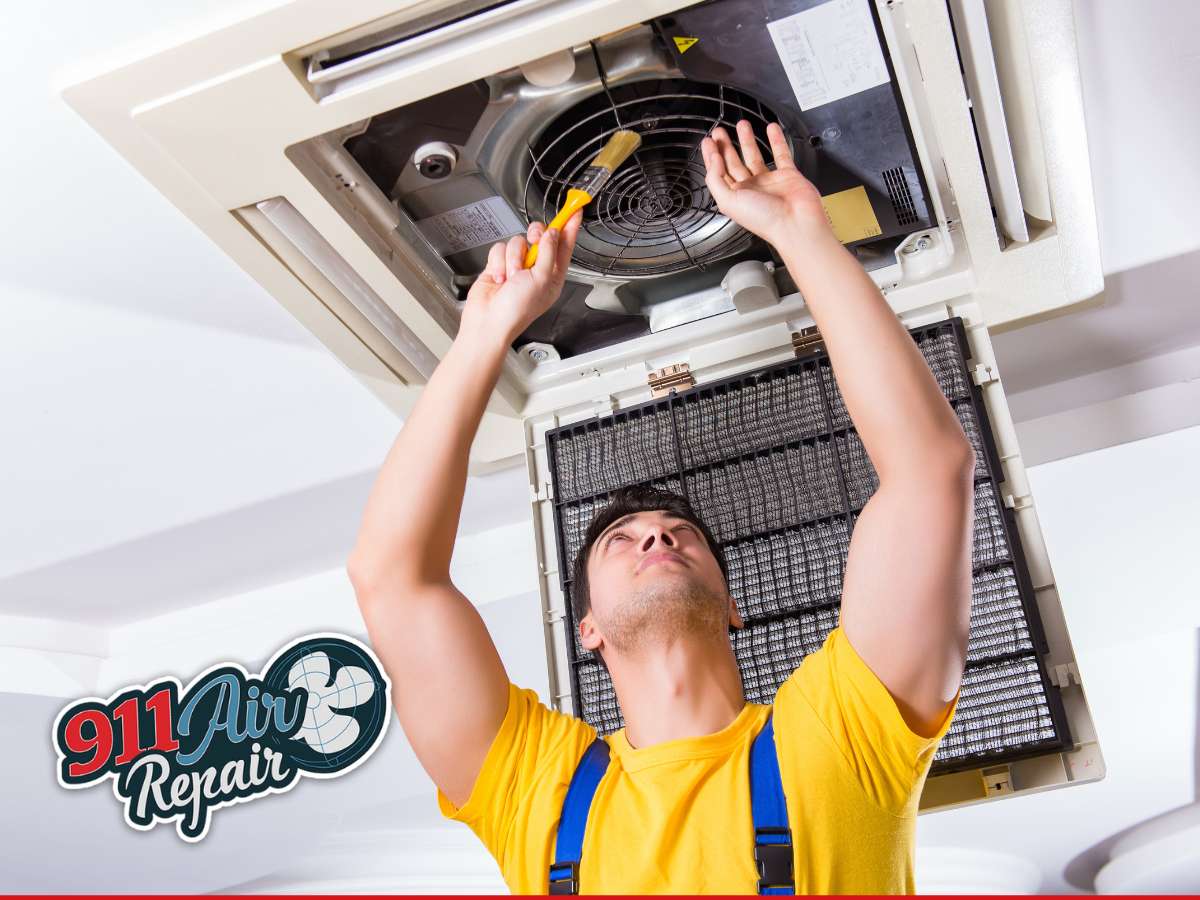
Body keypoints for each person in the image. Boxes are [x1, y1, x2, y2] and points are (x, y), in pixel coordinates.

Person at [348, 119, 975, 894]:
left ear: (735, 606)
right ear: (588, 630)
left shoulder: (842, 735)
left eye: (680, 533)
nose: (655, 535)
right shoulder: (536, 792)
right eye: (624, 538)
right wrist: (484, 333)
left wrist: (802, 235)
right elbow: (391, 577)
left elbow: (930, 471)